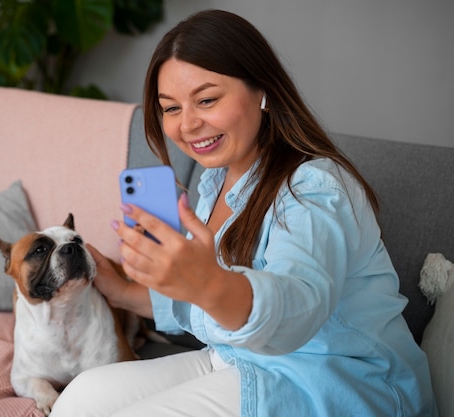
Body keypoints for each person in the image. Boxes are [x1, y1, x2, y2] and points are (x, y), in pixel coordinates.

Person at [50, 9, 437, 417]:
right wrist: (126, 292)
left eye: (207, 100)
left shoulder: (315, 188)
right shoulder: (215, 183)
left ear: (262, 90)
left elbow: (297, 307)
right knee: (81, 397)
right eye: (171, 108)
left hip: (336, 381)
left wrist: (209, 283)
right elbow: (211, 311)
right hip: (244, 360)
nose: (187, 124)